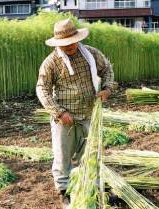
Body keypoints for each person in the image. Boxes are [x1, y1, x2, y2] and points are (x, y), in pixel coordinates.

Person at [36, 19, 114, 208]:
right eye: (64, 44)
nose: (69, 46)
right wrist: (59, 112)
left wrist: (107, 88)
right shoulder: (51, 63)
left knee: (91, 153)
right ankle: (64, 191)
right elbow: (42, 89)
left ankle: (92, 188)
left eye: (72, 42)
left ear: (77, 39)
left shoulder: (91, 54)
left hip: (89, 115)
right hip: (65, 119)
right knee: (63, 156)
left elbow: (107, 70)